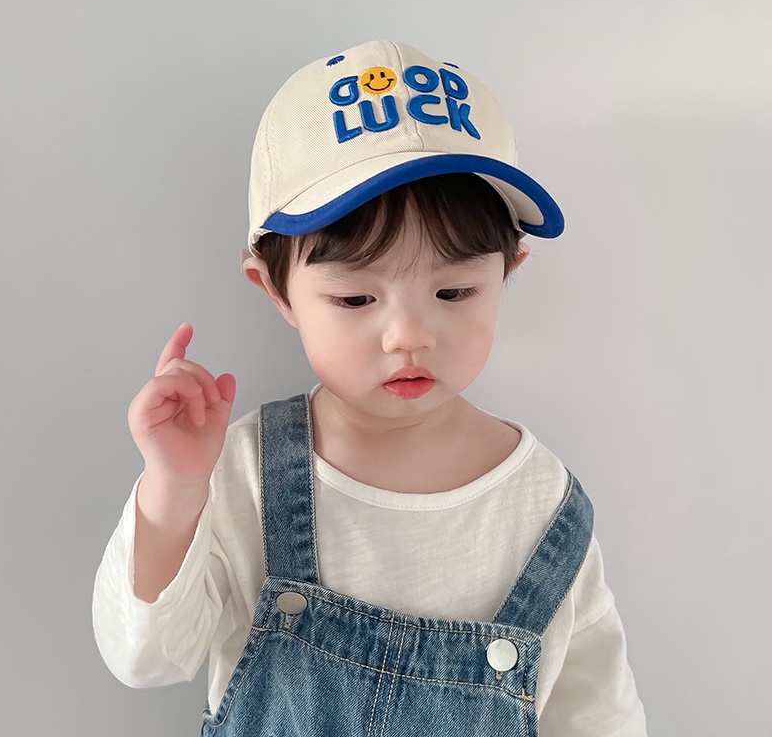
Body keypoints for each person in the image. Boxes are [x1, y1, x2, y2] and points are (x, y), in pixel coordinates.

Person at [93, 40, 647, 735]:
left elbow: (596, 713)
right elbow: (146, 658)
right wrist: (174, 488)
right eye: (356, 299)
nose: (408, 336)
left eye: (454, 291)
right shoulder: (246, 472)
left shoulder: (544, 505)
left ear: (510, 268)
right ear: (276, 290)